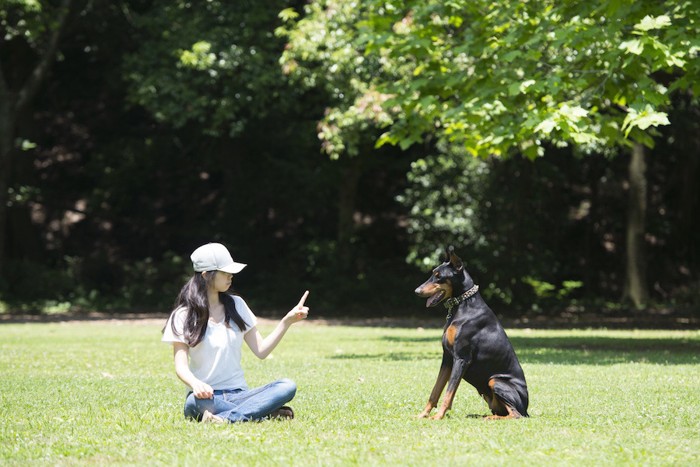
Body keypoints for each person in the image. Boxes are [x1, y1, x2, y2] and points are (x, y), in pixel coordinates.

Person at [162, 242, 309, 423]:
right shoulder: (183, 315)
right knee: (193, 403)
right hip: (207, 397)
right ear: (206, 275)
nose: (231, 276)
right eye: (225, 272)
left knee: (287, 386)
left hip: (240, 394)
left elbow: (261, 351)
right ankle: (259, 413)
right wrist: (195, 384)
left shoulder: (237, 305)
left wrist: (287, 321)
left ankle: (227, 418)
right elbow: (181, 367)